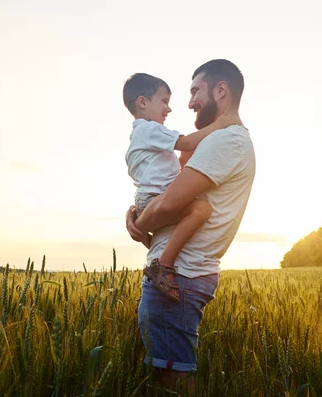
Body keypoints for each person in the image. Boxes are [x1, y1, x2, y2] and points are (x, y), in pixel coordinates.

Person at [125, 59, 256, 395]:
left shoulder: (226, 140)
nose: (188, 102)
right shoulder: (217, 143)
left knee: (176, 386)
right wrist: (141, 222)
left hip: (178, 279)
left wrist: (139, 220)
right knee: (168, 383)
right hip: (176, 276)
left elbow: (168, 204)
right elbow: (170, 199)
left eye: (196, 90)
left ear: (221, 89)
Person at [123, 73, 240, 301]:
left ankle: (155, 257)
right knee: (201, 210)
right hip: (157, 196)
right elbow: (186, 142)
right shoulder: (149, 129)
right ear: (142, 102)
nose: (169, 109)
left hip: (149, 197)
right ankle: (163, 264)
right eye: (164, 101)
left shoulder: (140, 135)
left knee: (179, 221)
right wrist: (220, 125)